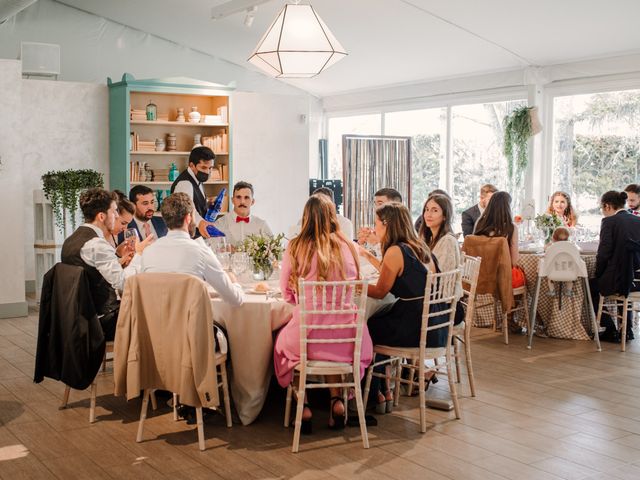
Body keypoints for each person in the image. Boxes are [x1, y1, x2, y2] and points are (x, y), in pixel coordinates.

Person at [273, 194, 373, 432]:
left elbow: (286, 292)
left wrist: (298, 298)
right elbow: (358, 284)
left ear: (305, 218)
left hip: (308, 338)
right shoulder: (349, 245)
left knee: (282, 347)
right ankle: (337, 402)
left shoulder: (296, 245)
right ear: (332, 217)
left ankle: (304, 406)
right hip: (347, 338)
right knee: (331, 349)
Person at [360, 202, 448, 412]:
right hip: (436, 324)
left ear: (387, 225)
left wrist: (356, 285)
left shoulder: (395, 250)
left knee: (368, 327)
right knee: (379, 321)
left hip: (415, 327)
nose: (374, 228)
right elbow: (396, 273)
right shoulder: (418, 245)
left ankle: (374, 395)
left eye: (376, 223)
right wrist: (369, 256)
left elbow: (381, 291)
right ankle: (385, 391)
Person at [61, 188, 152, 340]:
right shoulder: (97, 244)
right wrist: (139, 253)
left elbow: (92, 273)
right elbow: (125, 283)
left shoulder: (71, 241)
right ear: (102, 216)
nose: (117, 216)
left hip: (77, 318)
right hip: (101, 322)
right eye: (115, 211)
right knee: (155, 314)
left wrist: (117, 256)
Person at [137, 192, 243, 306]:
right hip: (189, 323)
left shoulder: (148, 253)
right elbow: (235, 300)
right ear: (188, 218)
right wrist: (234, 282)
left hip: (155, 323)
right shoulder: (202, 252)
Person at [590, 190, 640, 342]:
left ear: (607, 206)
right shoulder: (638, 220)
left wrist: (598, 273)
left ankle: (610, 328)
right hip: (637, 281)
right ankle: (627, 329)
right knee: (623, 275)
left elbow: (603, 254)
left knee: (591, 286)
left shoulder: (609, 222)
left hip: (621, 280)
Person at [473, 191, 524, 288]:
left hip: (479, 275)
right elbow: (514, 261)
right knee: (524, 275)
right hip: (501, 278)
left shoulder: (479, 223)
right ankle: (513, 303)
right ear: (507, 207)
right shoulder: (510, 228)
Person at [171, 146, 217, 238]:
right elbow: (187, 210)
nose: (208, 172)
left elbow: (193, 202)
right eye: (204, 168)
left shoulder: (197, 178)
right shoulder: (185, 183)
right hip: (188, 238)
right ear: (191, 165)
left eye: (210, 168)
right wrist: (200, 223)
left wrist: (207, 203)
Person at [213, 181, 272, 246]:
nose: (242, 202)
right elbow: (211, 249)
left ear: (252, 201)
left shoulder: (262, 225)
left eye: (246, 197)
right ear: (232, 200)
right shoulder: (220, 223)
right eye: (238, 197)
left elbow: (272, 250)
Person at [289, 187, 354, 240]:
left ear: (333, 206)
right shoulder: (303, 222)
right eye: (316, 206)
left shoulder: (344, 224)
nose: (320, 210)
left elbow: (346, 251)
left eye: (324, 206)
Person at [109, 190, 136, 266]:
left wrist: (119, 253)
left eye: (127, 224)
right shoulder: (98, 239)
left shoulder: (114, 235)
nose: (125, 229)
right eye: (123, 223)